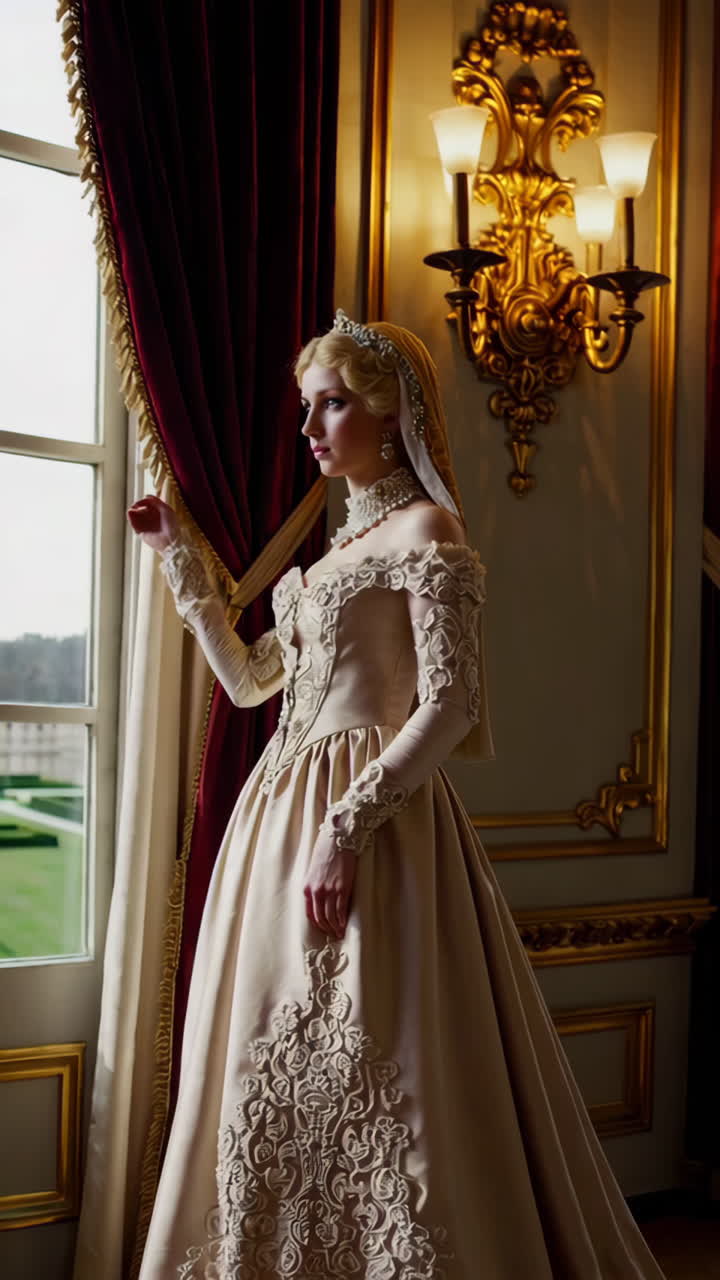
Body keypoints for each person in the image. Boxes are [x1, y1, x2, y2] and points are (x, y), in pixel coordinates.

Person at [127, 310, 665, 1278]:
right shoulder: (331, 555)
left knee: (378, 1058)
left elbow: (451, 704)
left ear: (390, 410)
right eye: (306, 407)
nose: (310, 427)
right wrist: (178, 556)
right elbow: (250, 682)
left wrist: (346, 825)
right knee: (273, 1066)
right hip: (275, 831)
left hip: (373, 828)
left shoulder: (428, 529)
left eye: (332, 404)